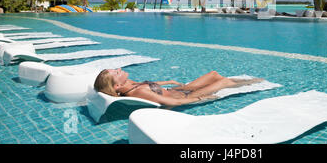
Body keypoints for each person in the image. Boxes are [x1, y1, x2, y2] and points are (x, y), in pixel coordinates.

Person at [94, 69, 262, 107]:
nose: (119, 69)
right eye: (116, 72)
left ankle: (238, 80)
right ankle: (251, 82)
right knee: (223, 82)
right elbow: (170, 103)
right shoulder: (139, 92)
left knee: (213, 74)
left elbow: (151, 85)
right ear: (118, 86)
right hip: (185, 96)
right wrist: (201, 98)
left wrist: (169, 81)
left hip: (181, 90)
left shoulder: (129, 83)